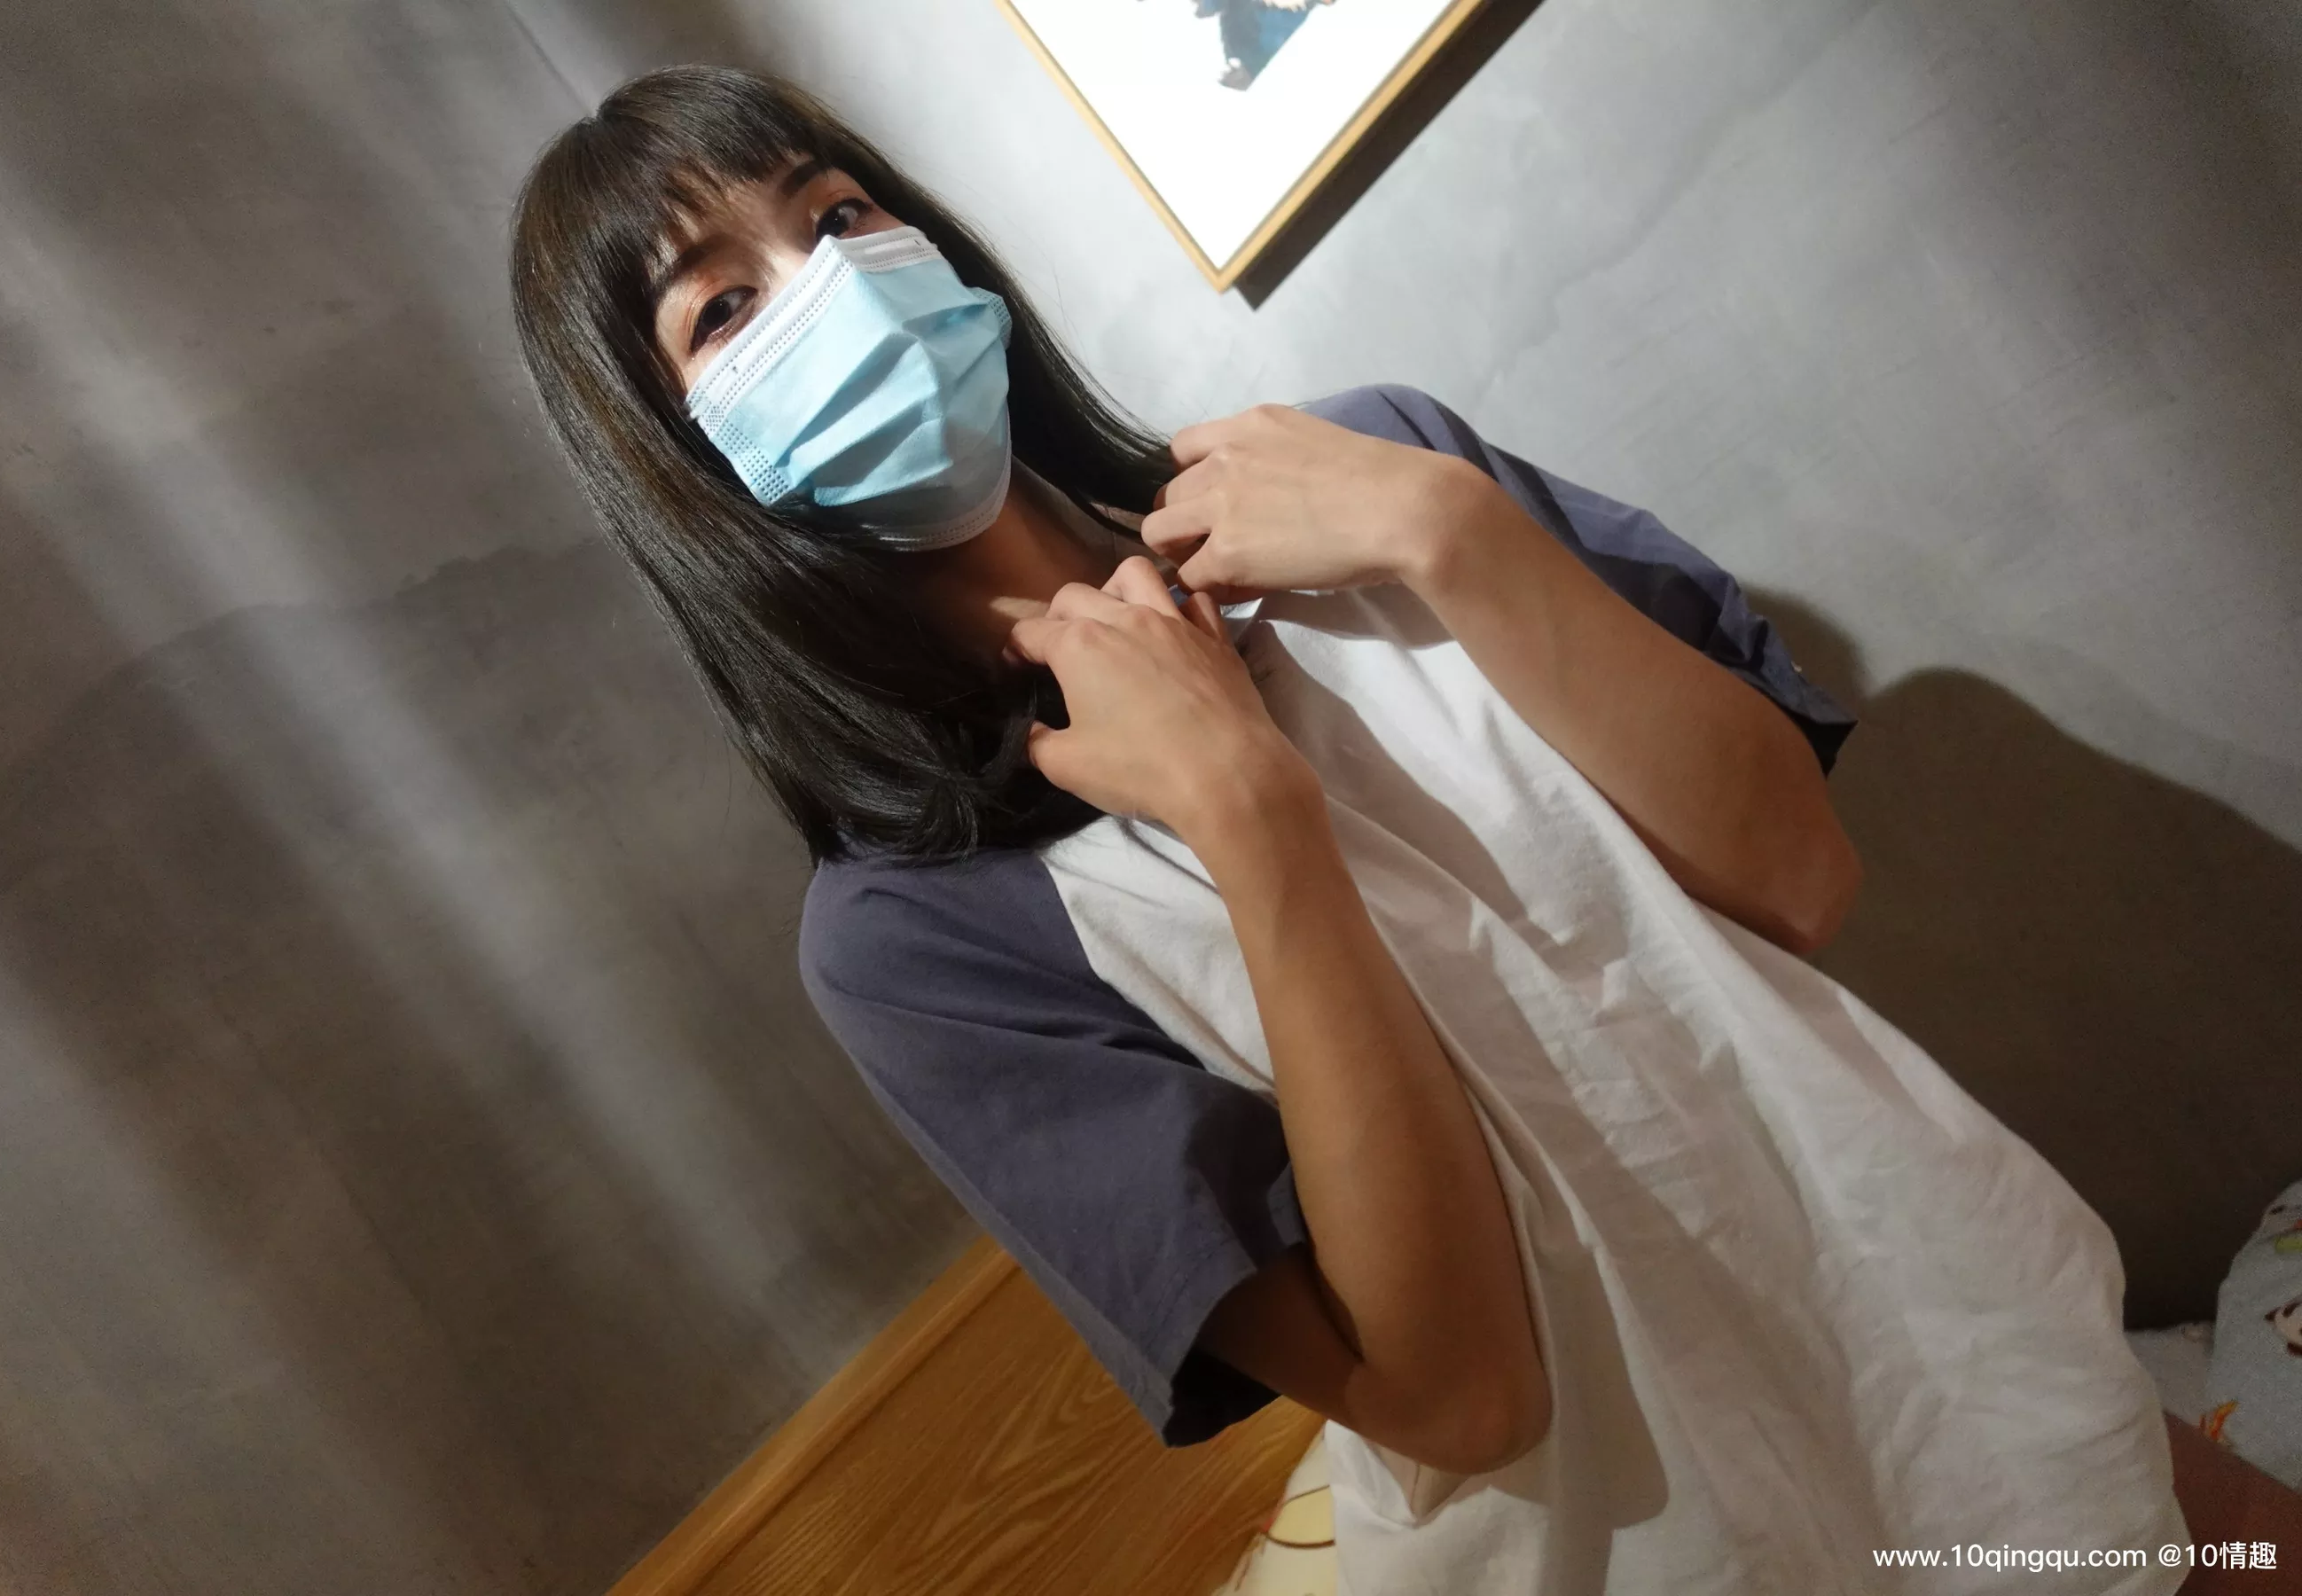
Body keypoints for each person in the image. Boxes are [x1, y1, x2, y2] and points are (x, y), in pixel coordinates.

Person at [510, 66, 2183, 1594]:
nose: (830, 288)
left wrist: (1452, 530)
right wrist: (1253, 821)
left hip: (1966, 1351)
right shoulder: (907, 937)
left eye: (838, 216)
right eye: (725, 307)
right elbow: (1458, 1397)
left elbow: (1800, 880)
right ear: (673, 463)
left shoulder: (1370, 469)